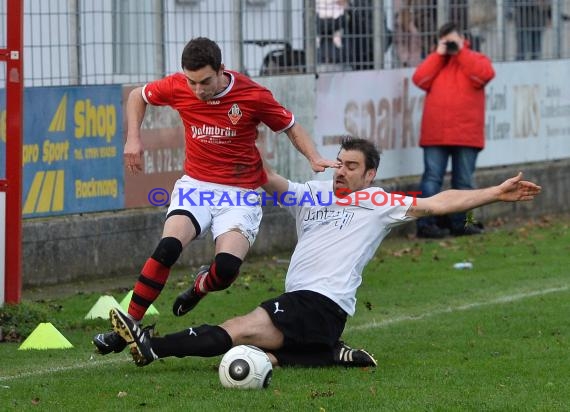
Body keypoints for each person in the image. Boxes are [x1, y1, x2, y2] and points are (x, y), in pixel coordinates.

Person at [108, 137, 541, 368]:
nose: (341, 171)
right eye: (338, 163)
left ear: (371, 174)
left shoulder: (379, 203)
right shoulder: (313, 194)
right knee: (260, 354)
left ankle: (153, 347)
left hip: (319, 301)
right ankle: (325, 353)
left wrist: (494, 194)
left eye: (352, 166)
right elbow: (268, 178)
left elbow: (439, 202)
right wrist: (238, 147)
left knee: (238, 328)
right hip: (313, 312)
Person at [92, 37, 337, 355]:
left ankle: (200, 286)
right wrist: (133, 139)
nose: (198, 90)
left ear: (221, 70)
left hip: (241, 193)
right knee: (168, 247)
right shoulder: (179, 86)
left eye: (205, 81)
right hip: (197, 186)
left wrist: (314, 157)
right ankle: (127, 328)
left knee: (225, 270)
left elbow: (290, 125)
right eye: (192, 82)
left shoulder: (252, 94)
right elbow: (138, 96)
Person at [412, 22, 495, 238]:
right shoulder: (436, 61)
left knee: (464, 183)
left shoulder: (475, 58)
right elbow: (419, 79)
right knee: (431, 179)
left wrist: (460, 52)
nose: (449, 44)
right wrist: (439, 54)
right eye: (445, 40)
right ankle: (425, 225)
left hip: (466, 134)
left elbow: (484, 75)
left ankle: (464, 224)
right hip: (436, 133)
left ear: (462, 38)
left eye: (452, 39)